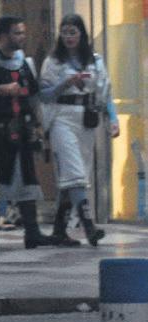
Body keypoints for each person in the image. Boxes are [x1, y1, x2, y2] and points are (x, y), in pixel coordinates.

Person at [0, 16, 56, 249]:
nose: (22, 37)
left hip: (22, 129)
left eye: (22, 33)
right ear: (4, 36)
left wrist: (40, 125)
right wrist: (0, 90)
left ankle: (33, 232)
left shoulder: (22, 62)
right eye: (17, 33)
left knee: (28, 178)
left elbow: (34, 95)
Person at [40, 14, 118, 247]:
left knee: (75, 176)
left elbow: (105, 93)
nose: (68, 37)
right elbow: (43, 94)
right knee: (74, 172)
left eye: (73, 32)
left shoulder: (95, 61)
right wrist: (65, 83)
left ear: (81, 34)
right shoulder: (53, 62)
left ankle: (59, 229)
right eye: (64, 32)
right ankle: (89, 226)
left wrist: (112, 118)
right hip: (61, 117)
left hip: (86, 119)